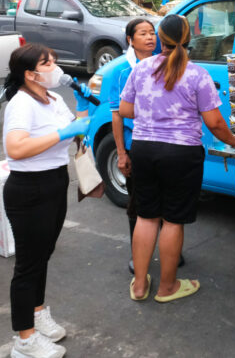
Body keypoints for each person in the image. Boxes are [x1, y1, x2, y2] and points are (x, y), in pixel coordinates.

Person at [119, 15, 235, 303]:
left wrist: (154, 112)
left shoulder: (140, 69)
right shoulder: (197, 74)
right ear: (190, 40)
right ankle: (167, 287)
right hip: (181, 154)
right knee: (173, 220)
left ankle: (139, 286)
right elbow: (214, 122)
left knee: (146, 216)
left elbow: (125, 110)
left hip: (144, 149)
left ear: (161, 40)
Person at [2, 43, 91, 358]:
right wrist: (65, 132)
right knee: (28, 264)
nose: (54, 66)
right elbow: (16, 148)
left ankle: (37, 313)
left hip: (55, 181)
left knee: (43, 254)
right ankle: (24, 341)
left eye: (53, 60)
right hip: (28, 188)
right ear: (30, 74)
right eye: (46, 63)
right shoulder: (22, 103)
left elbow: (74, 130)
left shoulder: (52, 98)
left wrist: (82, 113)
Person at [98, 17, 175, 274]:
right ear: (130, 39)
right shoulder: (121, 71)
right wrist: (121, 153)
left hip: (164, 144)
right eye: (143, 33)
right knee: (138, 204)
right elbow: (117, 114)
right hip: (136, 145)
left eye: (153, 33)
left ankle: (170, 249)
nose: (150, 38)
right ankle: (138, 255)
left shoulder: (165, 64)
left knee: (167, 199)